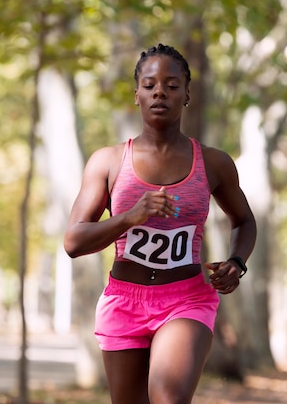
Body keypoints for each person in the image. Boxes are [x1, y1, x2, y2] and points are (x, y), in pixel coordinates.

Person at [64, 43, 257, 404]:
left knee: (168, 397)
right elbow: (74, 242)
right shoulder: (107, 162)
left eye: (171, 85)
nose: (160, 93)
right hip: (124, 301)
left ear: (187, 94)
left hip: (186, 299)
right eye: (150, 84)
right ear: (136, 94)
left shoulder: (214, 163)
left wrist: (237, 262)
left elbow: (244, 220)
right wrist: (130, 216)